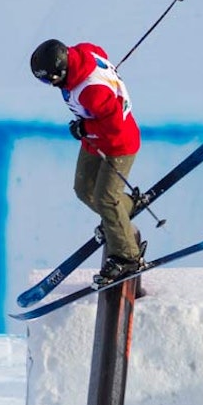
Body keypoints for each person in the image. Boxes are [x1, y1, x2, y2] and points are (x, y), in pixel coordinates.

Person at [30, 38, 145, 284]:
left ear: (59, 72)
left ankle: (127, 257)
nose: (47, 85)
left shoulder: (91, 93)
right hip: (95, 141)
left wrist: (85, 126)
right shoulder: (81, 52)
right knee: (84, 190)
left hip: (118, 145)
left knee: (105, 198)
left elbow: (113, 126)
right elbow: (99, 51)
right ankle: (121, 215)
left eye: (46, 79)